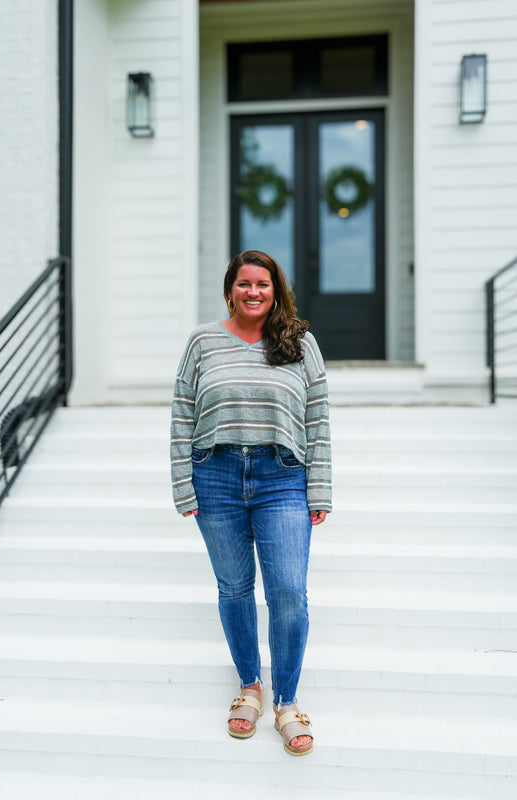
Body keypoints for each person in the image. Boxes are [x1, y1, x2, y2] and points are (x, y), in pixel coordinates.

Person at [170, 250, 332, 756]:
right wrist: (182, 483)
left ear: (276, 289)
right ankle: (249, 688)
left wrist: (320, 488)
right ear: (230, 289)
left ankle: (286, 700)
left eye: (263, 284)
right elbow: (182, 412)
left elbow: (317, 421)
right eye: (244, 284)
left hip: (281, 477)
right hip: (214, 475)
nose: (253, 292)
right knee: (235, 587)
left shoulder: (300, 343)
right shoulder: (202, 340)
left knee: (287, 590)